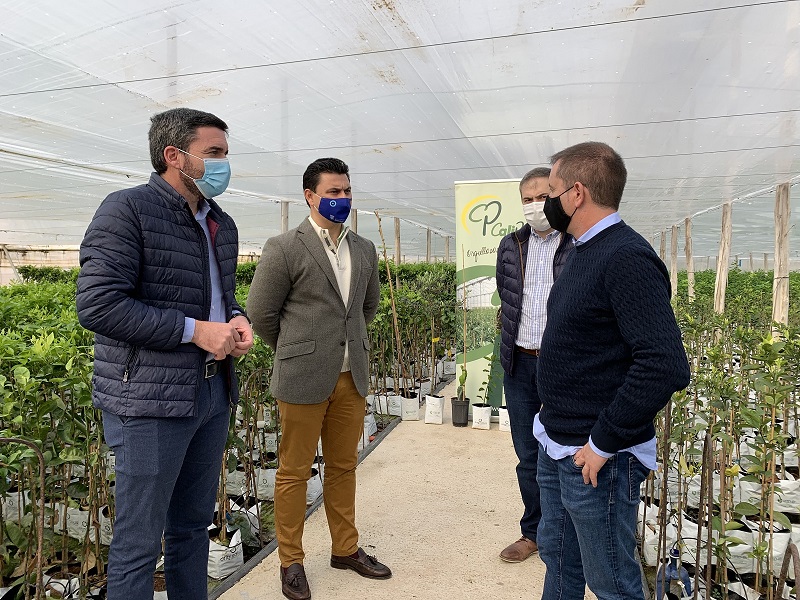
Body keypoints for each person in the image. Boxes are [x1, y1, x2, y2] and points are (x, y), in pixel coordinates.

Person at [76, 108, 253, 599]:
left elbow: (218, 295)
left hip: (212, 393)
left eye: (225, 154)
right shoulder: (127, 210)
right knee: (138, 544)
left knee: (192, 528)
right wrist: (195, 332)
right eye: (212, 153)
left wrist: (236, 318)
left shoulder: (221, 223)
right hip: (149, 402)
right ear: (174, 156)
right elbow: (98, 304)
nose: (222, 165)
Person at [535, 141, 690, 599]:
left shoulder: (625, 257)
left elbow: (664, 364)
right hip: (559, 443)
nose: (546, 202)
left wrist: (603, 442)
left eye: (552, 191)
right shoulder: (584, 249)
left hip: (596, 457)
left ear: (576, 193)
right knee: (559, 560)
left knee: (612, 583)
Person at [247, 157, 388, 600]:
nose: (342, 198)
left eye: (346, 191)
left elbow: (366, 307)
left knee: (344, 467)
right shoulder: (285, 247)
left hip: (351, 375)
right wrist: (298, 349)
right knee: (294, 472)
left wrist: (344, 344)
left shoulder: (363, 248)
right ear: (310, 196)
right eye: (333, 192)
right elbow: (261, 313)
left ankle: (345, 549)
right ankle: (291, 560)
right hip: (303, 376)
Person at [495, 167, 573, 563]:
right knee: (527, 456)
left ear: (558, 196)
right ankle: (534, 533)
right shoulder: (511, 245)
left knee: (567, 452)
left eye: (542, 197)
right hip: (520, 363)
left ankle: (569, 532)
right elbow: (506, 297)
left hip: (563, 367)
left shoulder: (577, 243)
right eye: (527, 199)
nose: (534, 205)